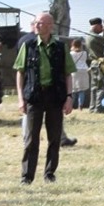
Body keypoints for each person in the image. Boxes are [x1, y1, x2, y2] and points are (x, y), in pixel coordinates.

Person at [14, 11, 74, 183]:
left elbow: (68, 73)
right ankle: (27, 176)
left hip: (55, 96)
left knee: (54, 138)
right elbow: (20, 72)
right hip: (34, 96)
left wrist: (69, 97)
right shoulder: (28, 45)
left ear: (50, 25)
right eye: (37, 23)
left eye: (41, 23)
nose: (37, 25)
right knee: (31, 139)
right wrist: (20, 98)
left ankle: (49, 174)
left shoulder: (61, 47)